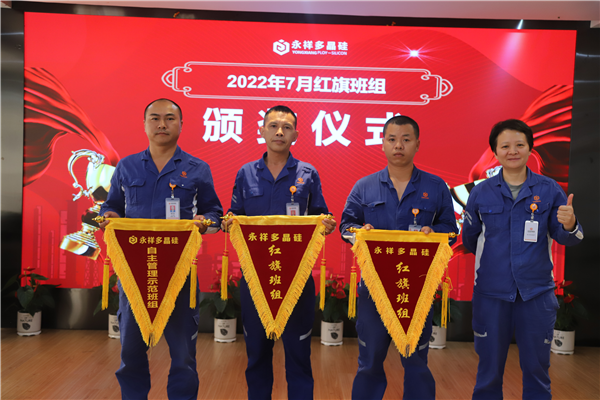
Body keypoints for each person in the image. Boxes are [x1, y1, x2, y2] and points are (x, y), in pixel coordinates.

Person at [99, 98, 223, 400]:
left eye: (170, 118)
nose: (162, 124)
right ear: (144, 125)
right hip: (135, 275)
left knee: (184, 356)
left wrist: (205, 222)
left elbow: (215, 214)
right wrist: (110, 216)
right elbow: (111, 206)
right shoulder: (127, 166)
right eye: (154, 118)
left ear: (180, 124)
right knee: (131, 353)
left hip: (179, 274)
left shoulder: (197, 168)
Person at [462, 119, 583, 400]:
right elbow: (470, 239)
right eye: (505, 146)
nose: (512, 151)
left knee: (537, 370)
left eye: (519, 145)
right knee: (488, 372)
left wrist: (569, 224)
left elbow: (567, 238)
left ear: (530, 148)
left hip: (536, 294)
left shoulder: (550, 189)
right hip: (491, 294)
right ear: (495, 151)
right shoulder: (481, 191)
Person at [339, 115, 458, 400]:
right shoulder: (364, 186)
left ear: (417, 144)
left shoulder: (436, 186)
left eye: (406, 139)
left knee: (416, 362)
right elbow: (346, 226)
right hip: (374, 289)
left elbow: (450, 230)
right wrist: (360, 233)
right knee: (369, 362)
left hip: (416, 290)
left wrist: (434, 231)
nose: (398, 145)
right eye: (392, 139)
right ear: (382, 144)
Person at [223, 105, 336, 400]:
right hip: (256, 279)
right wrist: (229, 221)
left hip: (297, 278)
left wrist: (326, 223)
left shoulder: (307, 174)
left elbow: (320, 215)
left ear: (295, 135)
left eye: (286, 127)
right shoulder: (246, 173)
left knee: (298, 355)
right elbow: (235, 214)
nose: (279, 132)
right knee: (257, 354)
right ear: (262, 131)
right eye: (273, 126)